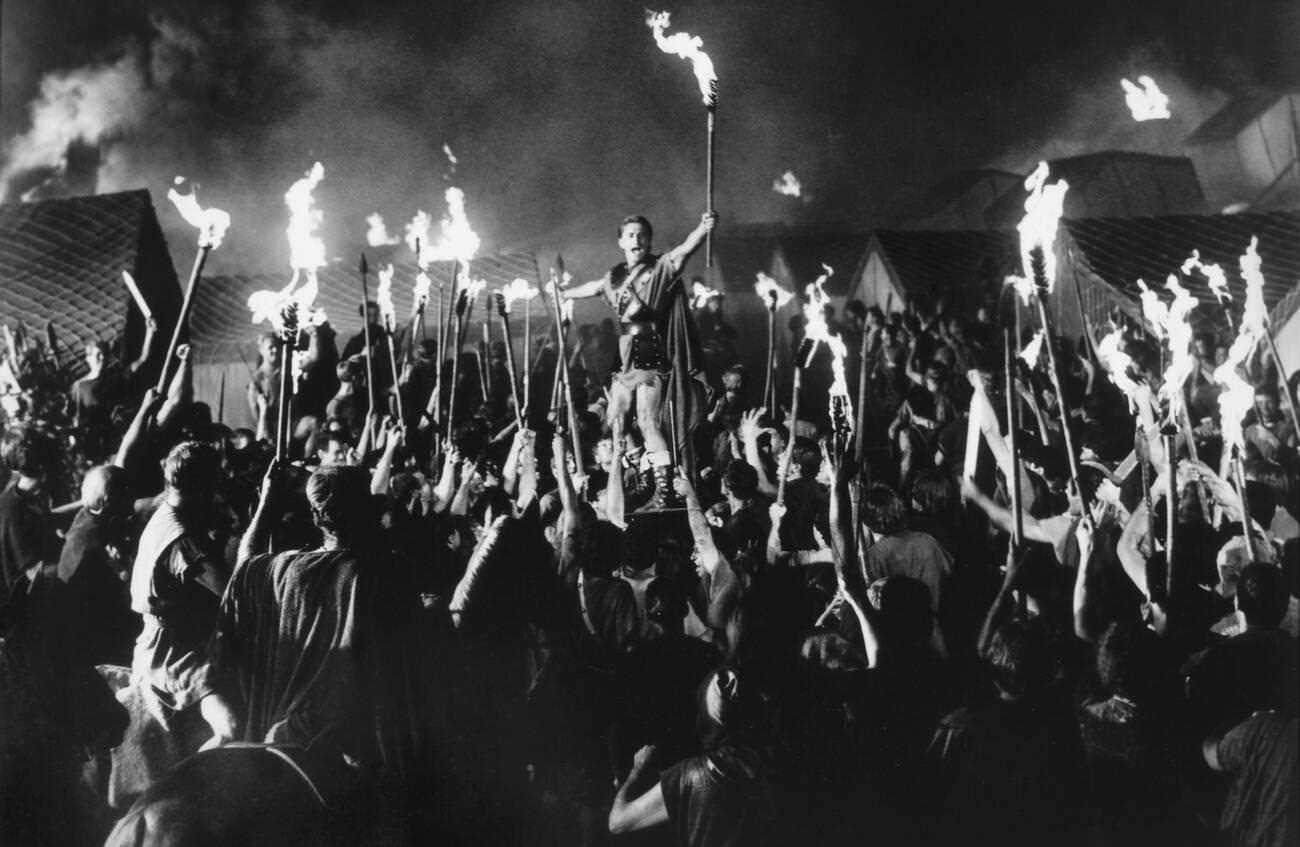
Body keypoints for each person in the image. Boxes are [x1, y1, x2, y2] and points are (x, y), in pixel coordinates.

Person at [212, 463, 427, 780]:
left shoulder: (288, 571)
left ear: (315, 517)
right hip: (363, 744)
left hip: (290, 732)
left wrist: (268, 501)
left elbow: (245, 566)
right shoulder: (390, 571)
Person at [560, 211, 717, 506]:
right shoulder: (614, 277)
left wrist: (702, 229)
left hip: (648, 350)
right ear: (621, 241)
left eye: (642, 235)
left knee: (647, 420)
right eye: (631, 235)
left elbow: (683, 251)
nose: (637, 239)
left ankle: (663, 491)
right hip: (625, 353)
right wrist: (563, 293)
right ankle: (638, 478)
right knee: (616, 418)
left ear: (649, 241)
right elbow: (594, 287)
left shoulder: (658, 268)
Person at [128, 440, 237, 745]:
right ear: (206, 486)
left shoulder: (166, 512)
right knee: (230, 727)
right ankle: (194, 775)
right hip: (172, 654)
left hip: (165, 641)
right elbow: (232, 591)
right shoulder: (182, 540)